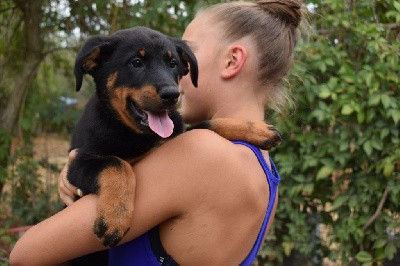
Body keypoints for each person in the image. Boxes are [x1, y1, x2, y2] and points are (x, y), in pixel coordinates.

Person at [10, 0, 303, 265]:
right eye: (139, 63)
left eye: (182, 57)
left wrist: (94, 170)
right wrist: (88, 169)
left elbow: (25, 255)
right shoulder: (266, 174)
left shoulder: (202, 152)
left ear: (232, 61)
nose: (173, 82)